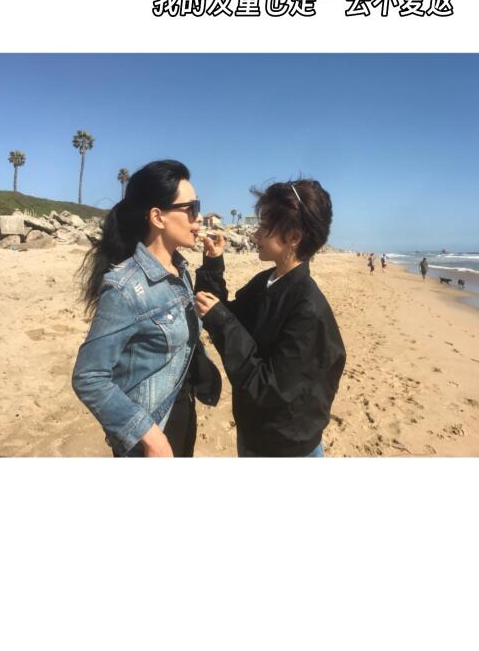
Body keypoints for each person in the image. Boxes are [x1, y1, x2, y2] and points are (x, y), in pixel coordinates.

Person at [72, 160, 221, 457]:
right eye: (191, 209)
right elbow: (89, 376)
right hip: (150, 436)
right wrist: (150, 437)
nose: (199, 219)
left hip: (181, 413)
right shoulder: (125, 288)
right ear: (157, 217)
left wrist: (214, 264)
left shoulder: (179, 271)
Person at [194, 179, 346, 457]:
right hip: (254, 432)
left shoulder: (308, 310)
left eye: (265, 226)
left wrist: (222, 321)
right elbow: (225, 315)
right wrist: (213, 265)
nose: (256, 234)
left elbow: (268, 389)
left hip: (286, 446)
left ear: (294, 237)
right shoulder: (267, 281)